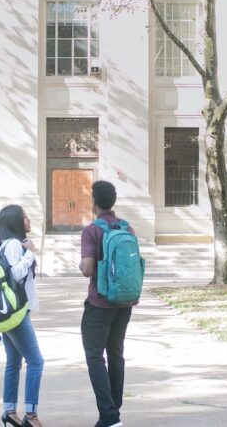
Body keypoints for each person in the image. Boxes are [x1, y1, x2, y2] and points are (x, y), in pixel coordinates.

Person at [78, 181, 136, 427]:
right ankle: (114, 412)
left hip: (100, 302)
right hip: (124, 301)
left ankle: (109, 417)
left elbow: (87, 269)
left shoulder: (92, 230)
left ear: (94, 202)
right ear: (113, 201)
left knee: (94, 356)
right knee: (116, 354)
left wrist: (81, 264)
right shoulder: (127, 228)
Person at [0, 205, 44, 427]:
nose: (29, 219)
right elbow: (15, 273)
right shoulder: (14, 244)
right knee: (35, 361)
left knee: (13, 362)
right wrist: (31, 252)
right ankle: (31, 415)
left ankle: (9, 411)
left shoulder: (6, 244)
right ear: (16, 221)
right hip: (17, 313)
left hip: (10, 311)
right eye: (25, 216)